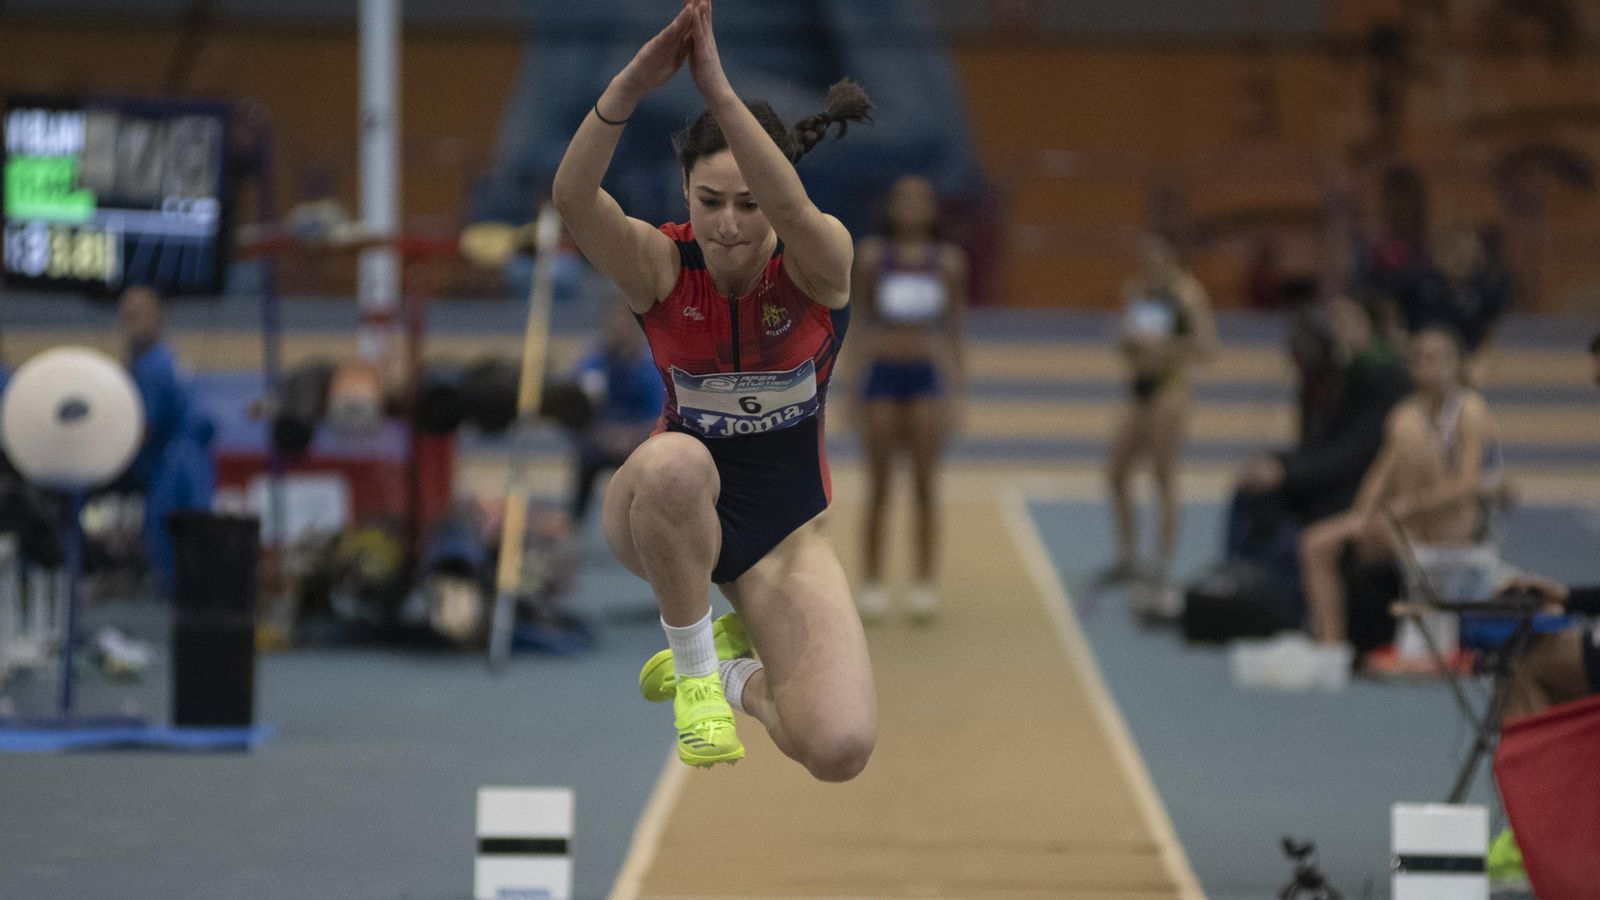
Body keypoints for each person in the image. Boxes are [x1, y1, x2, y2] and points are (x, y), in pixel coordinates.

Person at [550, 0, 875, 777]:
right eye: (710, 202)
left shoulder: (818, 263)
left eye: (749, 203)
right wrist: (629, 85)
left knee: (838, 747)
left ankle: (727, 674)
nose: (729, 224)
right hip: (661, 511)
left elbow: (794, 209)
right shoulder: (659, 267)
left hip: (782, 533)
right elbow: (573, 200)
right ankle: (695, 674)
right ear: (686, 195)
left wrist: (719, 93)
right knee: (676, 462)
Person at [1297, 325, 1496, 678]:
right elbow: (1381, 474)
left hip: (1451, 523)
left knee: (1412, 438)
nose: (1429, 368)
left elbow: (1468, 484)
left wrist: (1411, 507)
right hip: (1406, 522)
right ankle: (1331, 647)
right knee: (1316, 543)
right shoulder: (1405, 412)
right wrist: (1361, 517)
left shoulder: (1470, 409)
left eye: (1438, 360)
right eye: (1421, 360)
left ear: (1457, 364)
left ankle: (1421, 624)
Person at [849, 175, 967, 622]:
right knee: (878, 485)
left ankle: (923, 582)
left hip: (924, 377)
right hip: (882, 374)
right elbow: (860, 322)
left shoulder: (949, 262)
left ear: (933, 209)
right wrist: (851, 388)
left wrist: (957, 393)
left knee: (924, 484)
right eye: (904, 199)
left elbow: (955, 331)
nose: (913, 207)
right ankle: (873, 580)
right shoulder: (874, 258)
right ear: (892, 206)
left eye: (922, 199)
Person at [1103, 232, 1216, 595]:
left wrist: (1163, 347)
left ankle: (1162, 564)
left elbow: (1205, 348)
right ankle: (1127, 556)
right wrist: (1127, 341)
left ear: (1171, 257)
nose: (1149, 262)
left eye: (1156, 256)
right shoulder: (1136, 291)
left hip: (1170, 389)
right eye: (1144, 255)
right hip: (1139, 391)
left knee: (1163, 476)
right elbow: (1126, 340)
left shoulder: (1187, 295)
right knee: (1117, 471)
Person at [119, 286, 215, 595]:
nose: (130, 324)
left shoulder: (154, 367)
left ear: (158, 319)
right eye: (126, 317)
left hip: (176, 469)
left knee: (174, 546)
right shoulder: (160, 359)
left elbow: (143, 428)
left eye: (138, 316)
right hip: (180, 463)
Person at [568, 303, 666, 525]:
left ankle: (648, 526)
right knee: (586, 460)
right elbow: (578, 412)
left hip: (637, 444)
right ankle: (573, 529)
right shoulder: (592, 364)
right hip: (598, 443)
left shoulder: (649, 366)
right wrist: (605, 436)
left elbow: (657, 416)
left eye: (624, 324)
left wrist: (629, 438)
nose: (618, 329)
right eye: (613, 324)